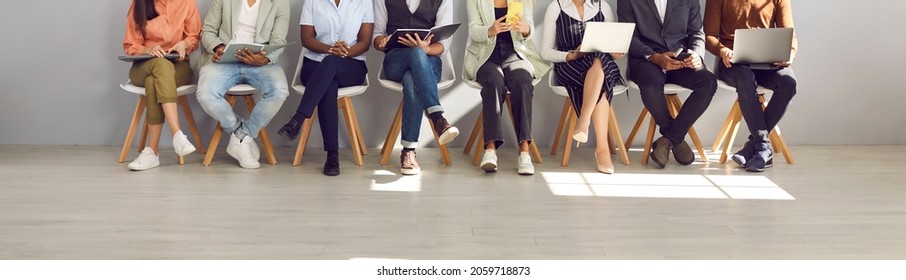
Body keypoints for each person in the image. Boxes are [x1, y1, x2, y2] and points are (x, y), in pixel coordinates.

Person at [276, 0, 374, 176]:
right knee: (328, 82)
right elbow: (306, 39)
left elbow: (365, 42)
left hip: (351, 66)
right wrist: (330, 49)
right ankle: (332, 155)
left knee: (330, 65)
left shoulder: (364, 2)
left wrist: (342, 53)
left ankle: (298, 119)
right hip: (314, 65)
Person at [618, 0, 717, 169]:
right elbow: (629, 37)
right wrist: (654, 57)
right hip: (645, 59)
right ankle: (675, 138)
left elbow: (697, 32)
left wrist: (696, 55)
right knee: (650, 85)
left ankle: (669, 139)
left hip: (681, 58)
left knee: (708, 82)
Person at [704, 0, 798, 172]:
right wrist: (723, 51)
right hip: (732, 64)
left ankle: (752, 145)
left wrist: (790, 53)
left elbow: (790, 35)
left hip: (768, 61)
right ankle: (763, 147)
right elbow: (709, 36)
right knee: (745, 79)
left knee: (788, 83)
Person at [196, 0, 290, 169]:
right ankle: (241, 135)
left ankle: (241, 136)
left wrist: (265, 59)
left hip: (260, 63)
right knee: (205, 94)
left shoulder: (280, 3)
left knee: (280, 91)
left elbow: (278, 41)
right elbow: (208, 31)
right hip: (225, 61)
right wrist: (218, 47)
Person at [373, 0, 459, 176]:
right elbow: (377, 35)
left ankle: (408, 151)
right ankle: (437, 117)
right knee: (415, 55)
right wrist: (382, 41)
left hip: (429, 61)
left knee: (412, 78)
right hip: (396, 60)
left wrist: (426, 49)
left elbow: (446, 41)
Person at [465, 0, 549, 175]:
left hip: (517, 54)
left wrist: (525, 28)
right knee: (494, 82)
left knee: (522, 81)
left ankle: (524, 152)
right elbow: (473, 30)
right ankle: (490, 150)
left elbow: (530, 29)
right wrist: (490, 30)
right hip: (486, 56)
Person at [541, 0, 624, 174]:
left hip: (603, 64)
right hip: (570, 65)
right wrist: (572, 55)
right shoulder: (556, 7)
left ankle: (584, 121)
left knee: (599, 61)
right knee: (601, 81)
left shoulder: (603, 7)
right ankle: (602, 150)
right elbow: (546, 51)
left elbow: (612, 44)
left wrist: (616, 51)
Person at [122, 0, 201, 171]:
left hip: (178, 65)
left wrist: (184, 44)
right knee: (160, 65)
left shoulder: (187, 2)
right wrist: (147, 50)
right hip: (144, 66)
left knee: (155, 80)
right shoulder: (139, 3)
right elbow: (129, 45)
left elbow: (194, 36)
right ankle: (177, 134)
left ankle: (152, 151)